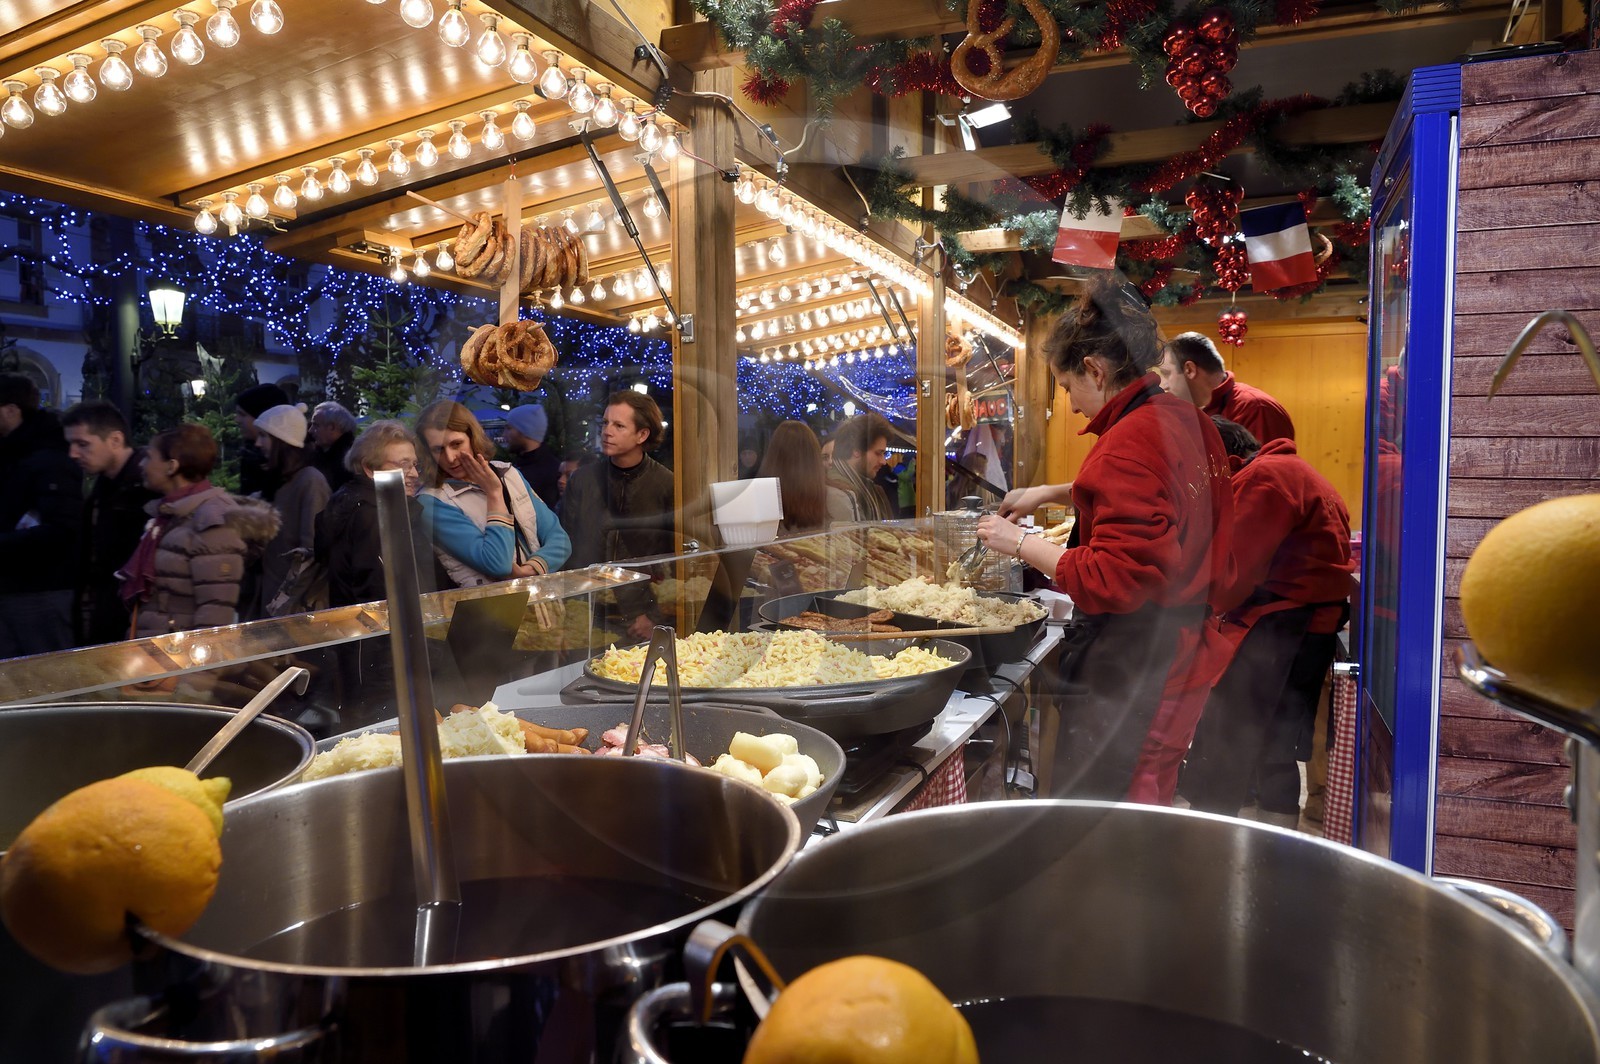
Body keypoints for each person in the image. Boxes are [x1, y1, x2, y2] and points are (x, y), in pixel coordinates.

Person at [977, 281, 1232, 801]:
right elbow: (1156, 492)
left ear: (1095, 368)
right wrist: (1049, 491)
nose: (1071, 406)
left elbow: (1112, 576)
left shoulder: (1126, 443)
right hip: (1186, 648)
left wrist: (1017, 542)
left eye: (1068, 387)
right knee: (1156, 791)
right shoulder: (1189, 419)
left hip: (1141, 661)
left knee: (1112, 818)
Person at [1181, 418, 1354, 826]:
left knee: (1227, 744)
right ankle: (1273, 858)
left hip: (1279, 628)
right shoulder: (1296, 471)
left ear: (1224, 462)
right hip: (1308, 628)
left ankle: (1203, 847)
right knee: (1274, 745)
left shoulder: (1264, 479)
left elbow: (1230, 578)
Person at [119, 423, 279, 637]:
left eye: (149, 457)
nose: (142, 464)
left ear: (171, 466)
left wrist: (199, 671)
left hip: (178, 658)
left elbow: (215, 615)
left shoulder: (211, 523)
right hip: (160, 652)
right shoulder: (170, 516)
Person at [559, 390, 675, 641]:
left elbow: (678, 563)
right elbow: (564, 547)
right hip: (587, 612)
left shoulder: (667, 484)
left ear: (642, 434)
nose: (607, 431)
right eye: (605, 423)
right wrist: (567, 615)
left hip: (640, 618)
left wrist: (655, 616)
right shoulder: (582, 480)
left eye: (619, 425)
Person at [417, 400, 570, 588]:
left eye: (456, 444)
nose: (450, 458)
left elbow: (560, 539)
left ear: (473, 437)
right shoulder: (432, 501)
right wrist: (495, 493)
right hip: (488, 610)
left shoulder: (508, 473)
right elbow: (497, 563)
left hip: (540, 602)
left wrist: (530, 570)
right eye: (438, 449)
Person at [62, 400, 158, 645]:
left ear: (115, 440)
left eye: (83, 444)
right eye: (71, 444)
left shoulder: (148, 488)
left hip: (130, 622)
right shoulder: (104, 484)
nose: (73, 453)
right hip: (104, 613)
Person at [0, 374, 82, 657]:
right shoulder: (17, 454)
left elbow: (61, 529)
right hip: (14, 585)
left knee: (46, 678)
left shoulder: (48, 458)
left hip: (40, 589)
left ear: (12, 410)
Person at [314, 419, 435, 607]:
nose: (414, 474)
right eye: (404, 465)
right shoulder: (375, 514)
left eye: (414, 465)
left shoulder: (352, 500)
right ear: (369, 468)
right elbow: (378, 595)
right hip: (382, 631)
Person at [252, 404, 332, 613]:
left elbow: (310, 554)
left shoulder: (310, 482)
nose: (257, 443)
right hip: (271, 599)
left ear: (282, 441)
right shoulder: (279, 481)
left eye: (264, 436)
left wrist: (284, 604)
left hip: (292, 610)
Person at [1155, 332, 1295, 445]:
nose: (1163, 385)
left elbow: (1264, 474)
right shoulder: (1188, 411)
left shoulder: (1257, 408)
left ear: (1190, 370)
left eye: (1167, 374)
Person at [757, 420, 851, 534]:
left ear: (773, 457)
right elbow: (846, 548)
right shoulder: (839, 499)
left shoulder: (760, 502)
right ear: (815, 457)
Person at [826, 413, 894, 522]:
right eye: (878, 453)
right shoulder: (839, 492)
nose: (883, 462)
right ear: (856, 451)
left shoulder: (870, 488)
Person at [233, 381, 289, 498]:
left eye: (242, 414)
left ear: (262, 417)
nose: (236, 420)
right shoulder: (250, 454)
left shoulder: (288, 465)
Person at [503, 404, 561, 509]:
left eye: (509, 428)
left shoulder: (550, 473)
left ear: (524, 431)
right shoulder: (521, 464)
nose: (504, 435)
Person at [309, 401, 358, 493]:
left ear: (332, 427)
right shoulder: (318, 455)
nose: (310, 430)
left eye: (316, 425)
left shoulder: (353, 460)